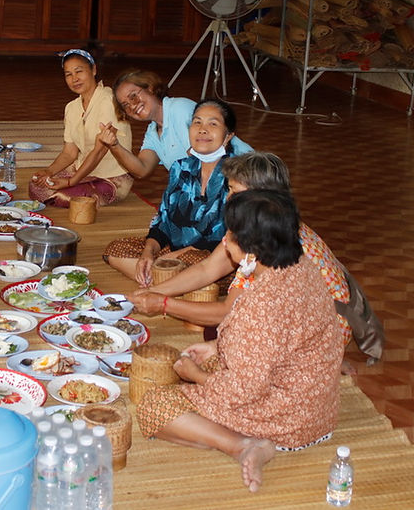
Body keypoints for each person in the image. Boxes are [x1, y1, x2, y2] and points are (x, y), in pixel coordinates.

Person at [137, 189, 343, 492]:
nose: (225, 242)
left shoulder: (259, 305)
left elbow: (241, 391)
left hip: (286, 418)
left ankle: (242, 445)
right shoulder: (301, 266)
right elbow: (279, 341)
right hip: (317, 404)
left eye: (231, 236)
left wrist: (195, 376)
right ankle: (233, 432)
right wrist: (217, 347)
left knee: (155, 406)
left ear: (252, 252)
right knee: (210, 359)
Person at [129, 152, 385, 366]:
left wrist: (163, 304)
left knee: (225, 337)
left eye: (235, 192)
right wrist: (150, 292)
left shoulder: (266, 240)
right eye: (229, 189)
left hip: (322, 332)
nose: (228, 198)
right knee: (216, 329)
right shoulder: (264, 221)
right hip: (308, 321)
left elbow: (228, 311)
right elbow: (208, 268)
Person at [103, 98, 241, 285]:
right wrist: (148, 253)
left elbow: (228, 239)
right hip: (175, 254)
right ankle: (172, 282)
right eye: (197, 122)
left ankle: (164, 281)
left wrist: (174, 257)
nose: (202, 129)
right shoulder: (181, 168)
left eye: (213, 124)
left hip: (215, 260)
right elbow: (164, 221)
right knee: (115, 250)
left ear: (228, 135)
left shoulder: (238, 175)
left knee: (199, 263)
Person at [95, 68, 252, 178]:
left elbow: (202, 161)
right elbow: (142, 169)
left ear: (150, 87)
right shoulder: (153, 131)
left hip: (249, 174)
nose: (132, 106)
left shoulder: (179, 108)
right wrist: (114, 145)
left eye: (133, 96)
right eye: (125, 105)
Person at [29, 49, 134, 208]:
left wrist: (71, 182)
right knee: (38, 186)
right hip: (82, 170)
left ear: (93, 70)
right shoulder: (72, 107)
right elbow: (69, 152)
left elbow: (100, 151)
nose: (74, 79)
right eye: (68, 74)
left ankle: (85, 191)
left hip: (111, 178)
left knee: (61, 195)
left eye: (79, 71)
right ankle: (76, 186)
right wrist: (48, 171)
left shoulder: (109, 100)